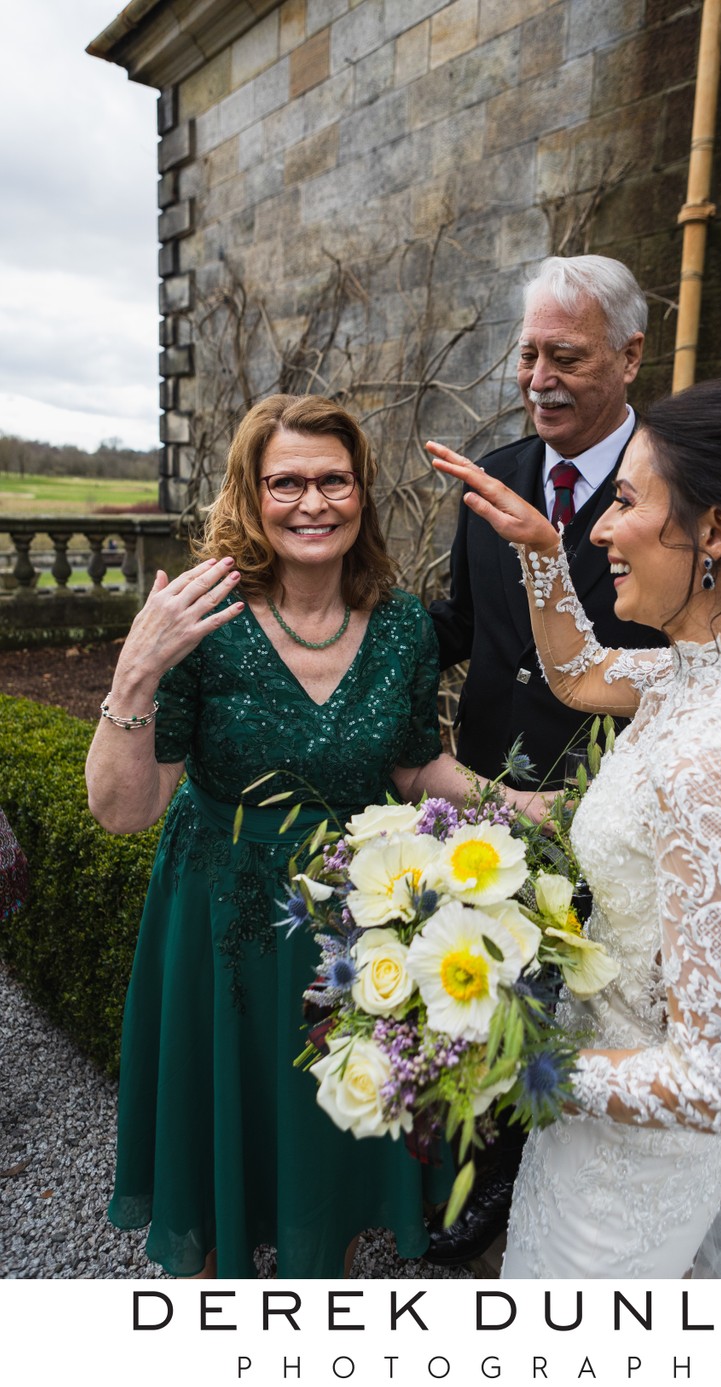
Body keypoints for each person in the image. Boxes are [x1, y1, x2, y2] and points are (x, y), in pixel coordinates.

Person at [86, 393, 525, 1280]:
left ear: (362, 491)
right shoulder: (203, 618)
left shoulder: (401, 625)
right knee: (223, 1155)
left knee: (338, 1145)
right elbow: (126, 809)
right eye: (286, 482)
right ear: (250, 494)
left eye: (334, 480)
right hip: (221, 922)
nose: (312, 502)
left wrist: (528, 806)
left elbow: (414, 769)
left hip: (354, 919)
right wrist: (136, 673)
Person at [428, 375, 721, 1278]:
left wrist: (507, 1057)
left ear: (716, 531)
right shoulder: (703, 673)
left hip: (624, 1187)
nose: (600, 528)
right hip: (589, 1141)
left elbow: (717, 1081)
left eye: (624, 500)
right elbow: (578, 673)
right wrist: (541, 551)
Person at [426, 253, 667, 1264]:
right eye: (527, 354)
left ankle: (572, 1186)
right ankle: (482, 1181)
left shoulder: (673, 475)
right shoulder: (498, 470)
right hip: (488, 786)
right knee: (496, 992)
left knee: (594, 1003)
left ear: (629, 354)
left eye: (563, 356)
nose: (537, 379)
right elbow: (464, 622)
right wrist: (341, 638)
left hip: (615, 799)